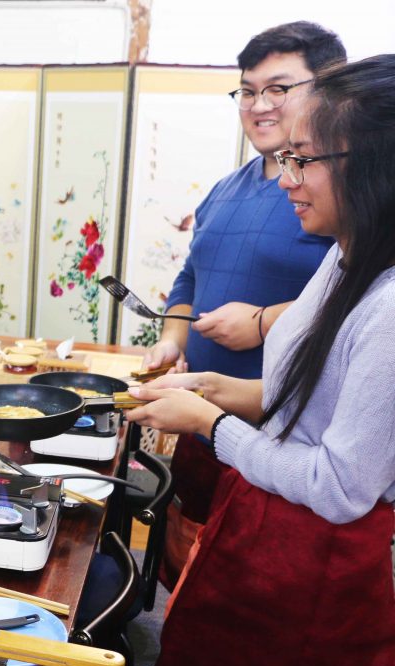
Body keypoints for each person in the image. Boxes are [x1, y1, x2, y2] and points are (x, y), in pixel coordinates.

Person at [127, 54, 395, 666]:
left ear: (375, 167)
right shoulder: (343, 256)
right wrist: (212, 388)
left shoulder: (387, 304)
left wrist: (212, 423)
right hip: (260, 514)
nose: (286, 179)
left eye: (304, 160)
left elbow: (339, 486)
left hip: (316, 558)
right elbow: (302, 397)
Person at [139, 22, 346, 585]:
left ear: (332, 90)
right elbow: (189, 277)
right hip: (202, 418)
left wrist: (261, 322)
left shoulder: (341, 193)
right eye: (248, 91)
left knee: (255, 591)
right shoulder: (225, 188)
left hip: (287, 437)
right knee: (186, 569)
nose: (258, 105)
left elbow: (357, 297)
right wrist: (172, 341)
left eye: (279, 88)